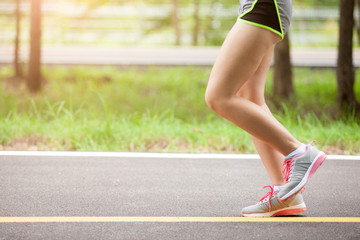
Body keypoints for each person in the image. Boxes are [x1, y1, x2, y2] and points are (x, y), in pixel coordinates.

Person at [205, 0, 327, 217]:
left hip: (262, 6)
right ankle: (285, 193)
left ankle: (298, 153)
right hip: (262, 8)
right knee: (250, 97)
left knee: (218, 96)